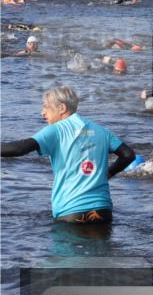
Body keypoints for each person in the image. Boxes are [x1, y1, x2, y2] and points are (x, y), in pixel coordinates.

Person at [0, 86, 135, 223]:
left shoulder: (56, 130)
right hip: (103, 211)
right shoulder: (101, 130)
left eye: (46, 107)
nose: (42, 113)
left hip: (71, 211)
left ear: (62, 108)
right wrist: (109, 173)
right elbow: (128, 155)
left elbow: (19, 149)